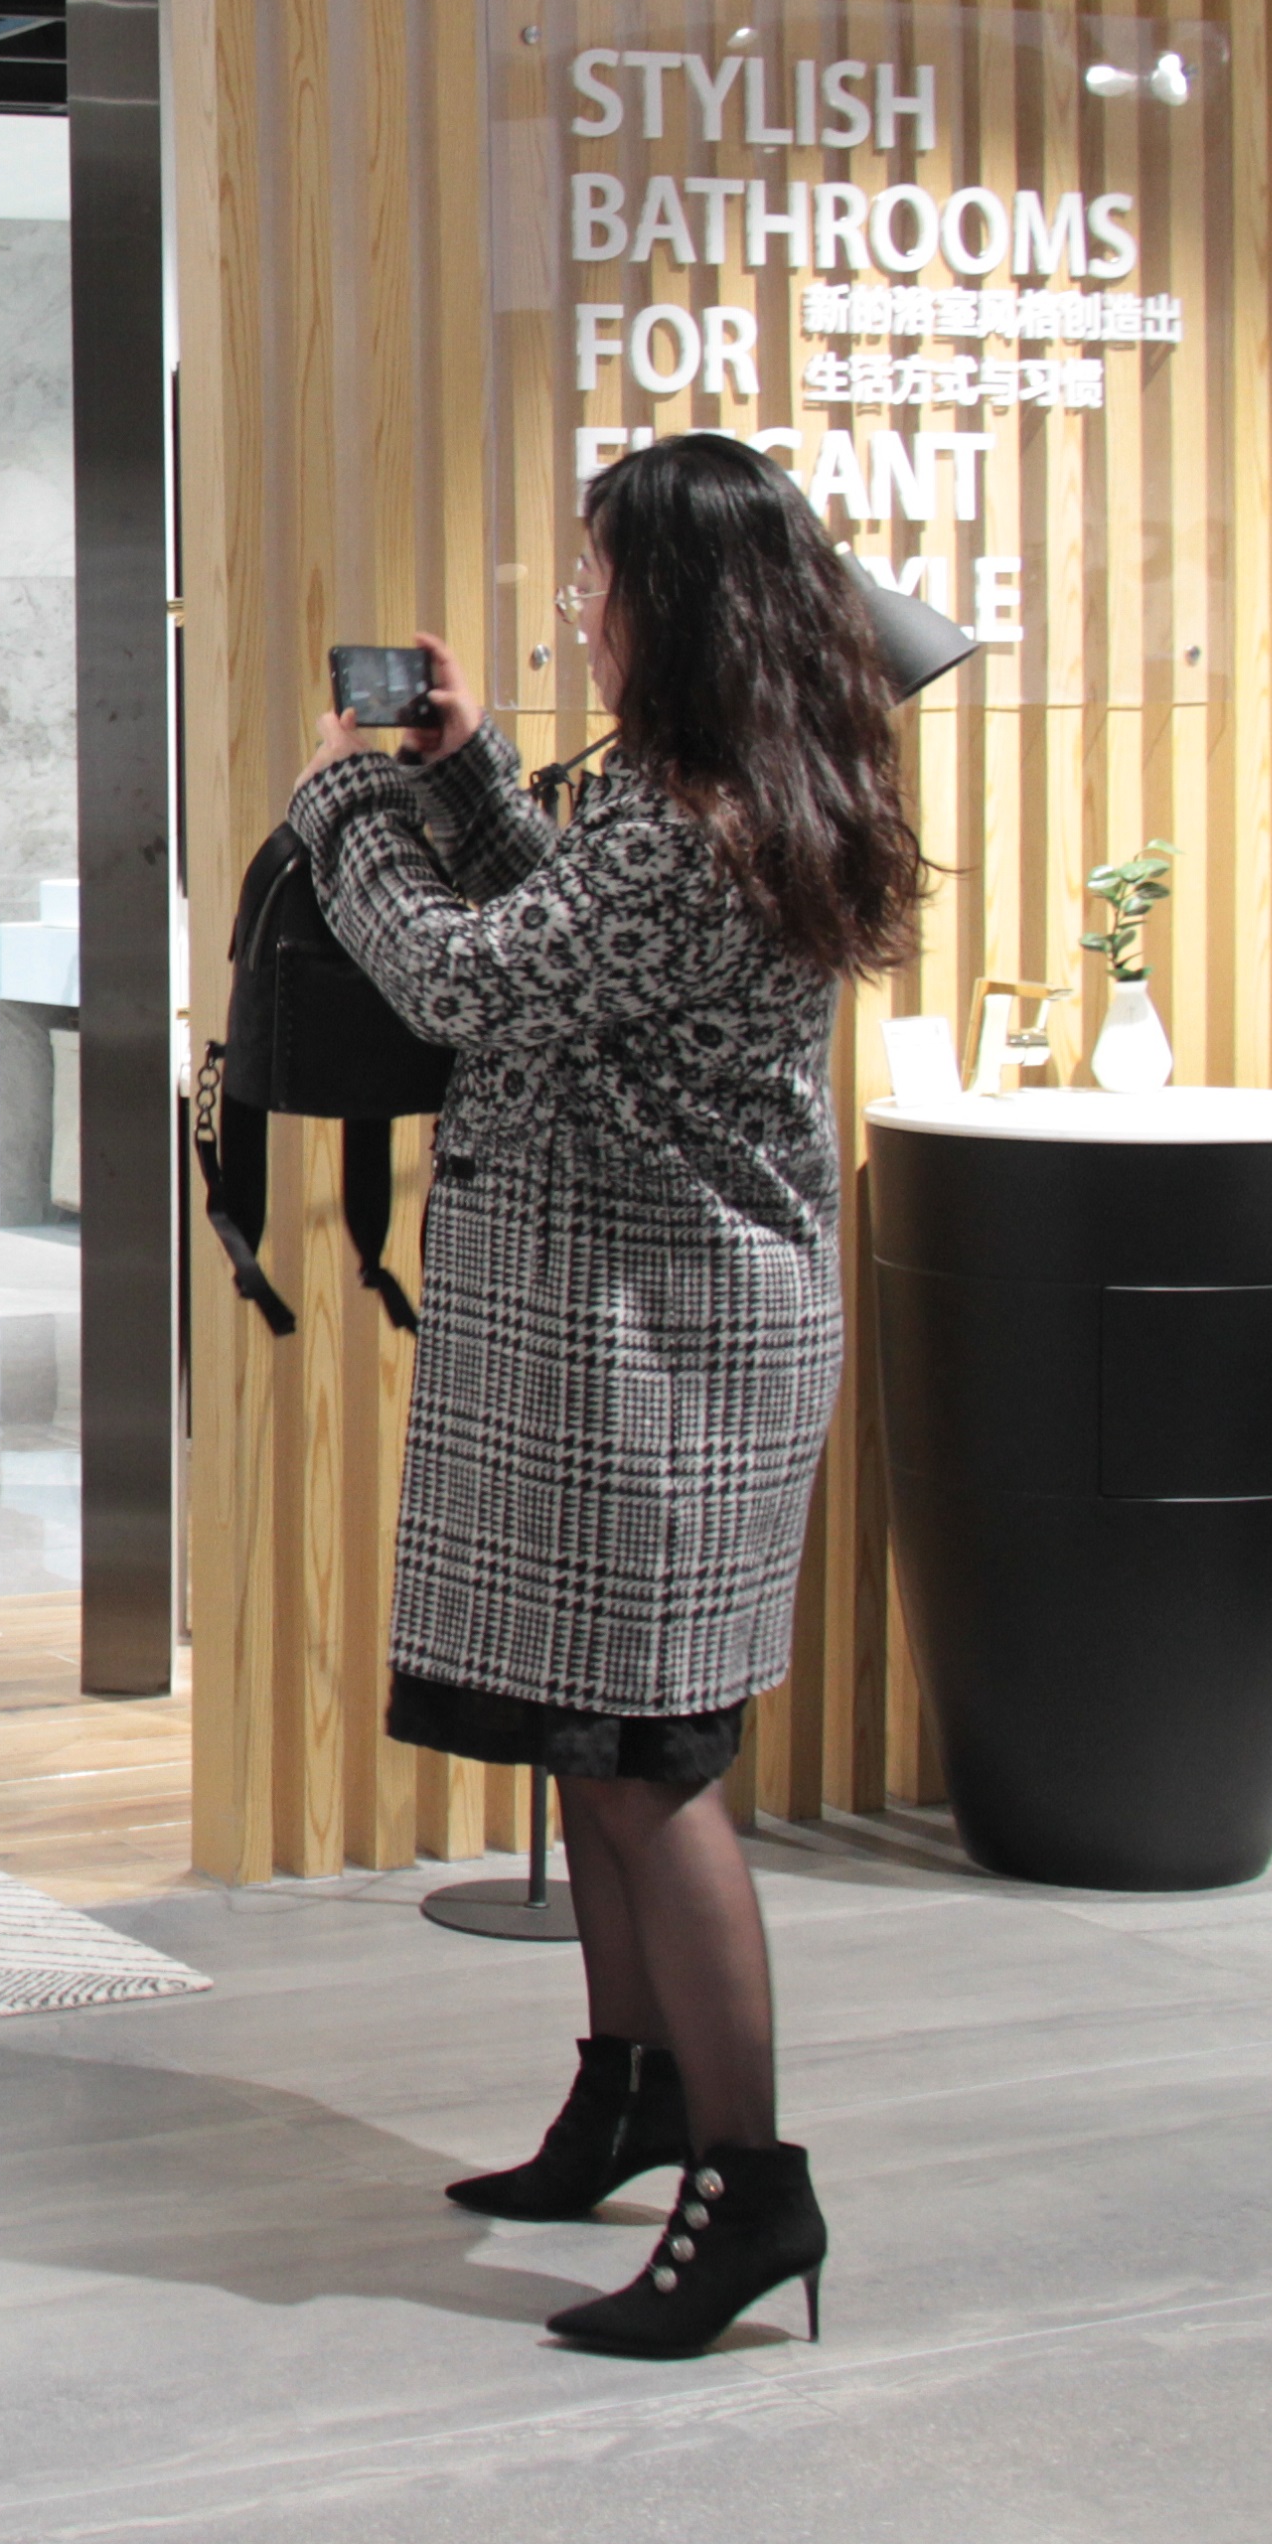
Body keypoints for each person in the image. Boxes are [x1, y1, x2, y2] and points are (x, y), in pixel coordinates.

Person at [284, 429, 927, 2360]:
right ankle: (632, 2092)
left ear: (683, 602)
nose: (584, 610)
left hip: (661, 1345)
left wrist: (350, 808)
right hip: (625, 1326)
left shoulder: (694, 825)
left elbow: (467, 983)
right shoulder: (712, 800)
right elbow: (568, 948)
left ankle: (752, 2182)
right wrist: (463, 775)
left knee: (650, 1766)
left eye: (601, 580)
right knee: (598, 1740)